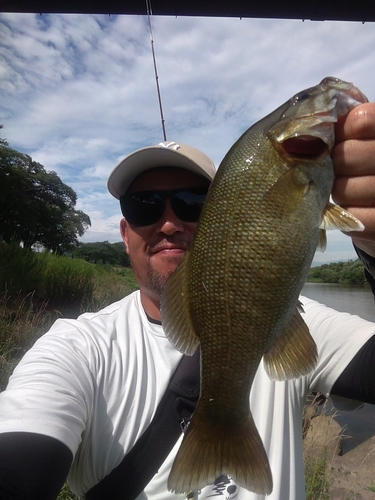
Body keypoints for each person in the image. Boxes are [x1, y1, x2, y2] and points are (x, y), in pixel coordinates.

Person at [0, 103, 375, 500]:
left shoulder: (285, 315)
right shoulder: (78, 348)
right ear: (125, 234)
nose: (168, 223)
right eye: (144, 205)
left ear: (225, 213)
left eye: (191, 202)